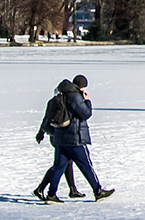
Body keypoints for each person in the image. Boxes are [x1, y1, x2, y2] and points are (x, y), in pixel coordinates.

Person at [36, 75, 113, 204]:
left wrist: (41, 133)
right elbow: (85, 113)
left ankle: (51, 195)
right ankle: (98, 192)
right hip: (75, 138)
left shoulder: (60, 95)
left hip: (60, 139)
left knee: (59, 167)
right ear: (81, 86)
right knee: (86, 166)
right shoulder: (74, 96)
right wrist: (87, 101)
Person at [34, 83, 84, 200]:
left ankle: (72, 189)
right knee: (60, 165)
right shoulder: (65, 99)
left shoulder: (57, 98)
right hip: (60, 136)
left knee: (67, 162)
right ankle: (40, 189)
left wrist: (40, 133)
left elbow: (46, 118)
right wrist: (40, 133)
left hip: (56, 135)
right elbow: (47, 117)